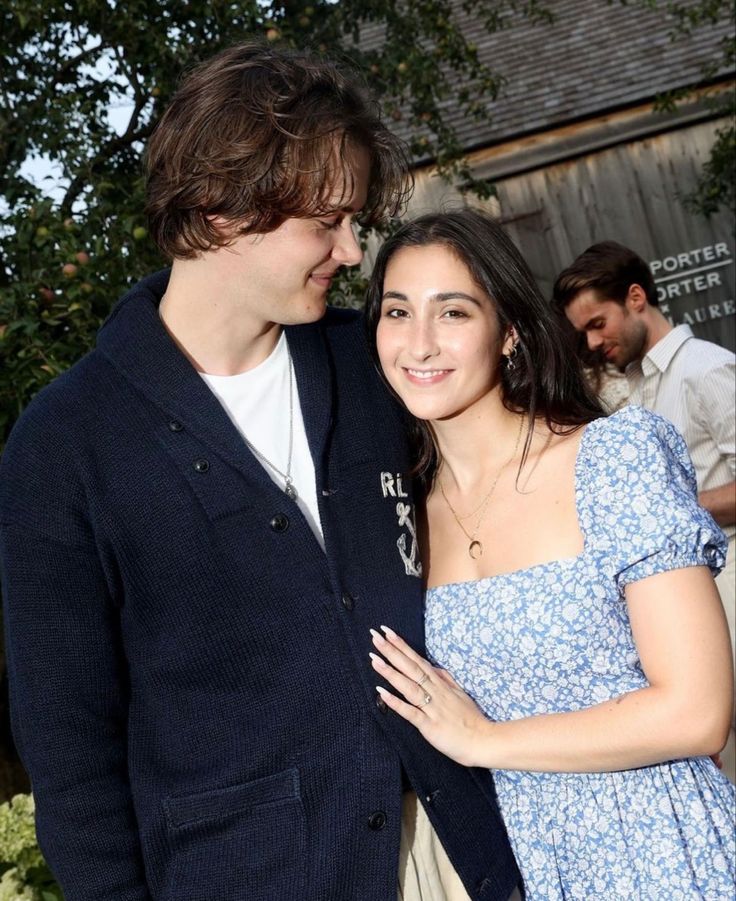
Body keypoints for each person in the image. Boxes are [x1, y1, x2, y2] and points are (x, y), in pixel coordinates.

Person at [0, 47, 521, 900]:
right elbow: (70, 751)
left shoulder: (374, 364)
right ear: (219, 212)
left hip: (463, 852)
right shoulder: (64, 445)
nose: (353, 251)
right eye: (326, 224)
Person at [363, 209, 736, 899]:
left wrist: (483, 740)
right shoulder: (400, 514)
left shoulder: (613, 457)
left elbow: (699, 710)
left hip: (660, 847)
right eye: (396, 311)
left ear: (508, 330)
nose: (418, 343)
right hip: (526, 863)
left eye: (452, 312)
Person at [553, 241, 736, 781]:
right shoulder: (625, 389)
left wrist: (673, 509)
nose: (591, 340)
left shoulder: (706, 368)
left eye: (597, 323)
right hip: (683, 601)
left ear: (636, 298)